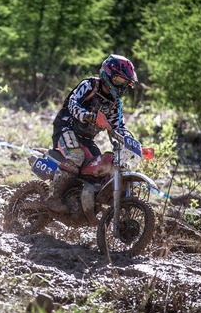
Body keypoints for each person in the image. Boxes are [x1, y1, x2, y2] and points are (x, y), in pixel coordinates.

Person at [46, 54, 138, 213]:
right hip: (66, 129)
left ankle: (79, 202)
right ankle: (53, 197)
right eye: (119, 81)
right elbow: (72, 105)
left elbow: (117, 126)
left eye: (125, 83)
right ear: (107, 74)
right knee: (76, 156)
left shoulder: (115, 103)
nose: (122, 87)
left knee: (99, 168)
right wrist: (92, 117)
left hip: (86, 138)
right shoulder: (90, 85)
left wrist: (131, 141)